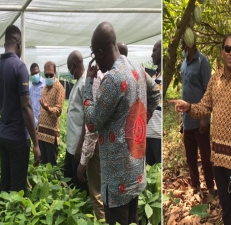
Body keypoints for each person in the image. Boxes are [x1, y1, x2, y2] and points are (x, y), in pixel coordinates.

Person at [170, 34, 231, 225]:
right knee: (225, 203)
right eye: (228, 49)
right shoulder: (215, 79)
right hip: (218, 155)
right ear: (222, 52)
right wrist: (189, 107)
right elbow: (204, 107)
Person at [84, 22, 160, 225]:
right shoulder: (137, 68)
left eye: (94, 55)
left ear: (99, 53)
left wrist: (88, 84)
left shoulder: (113, 80)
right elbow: (155, 94)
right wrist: (139, 125)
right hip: (134, 172)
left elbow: (92, 122)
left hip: (117, 180)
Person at [0, 25, 41, 192]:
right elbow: (26, 107)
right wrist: (36, 143)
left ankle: (1, 216)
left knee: (4, 185)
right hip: (18, 139)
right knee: (17, 189)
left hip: (2, 136)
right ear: (18, 43)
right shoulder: (19, 67)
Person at [179, 35, 214, 195]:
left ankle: (210, 185)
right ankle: (195, 185)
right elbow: (184, 91)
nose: (182, 48)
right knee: (190, 157)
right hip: (187, 119)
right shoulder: (183, 64)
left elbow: (208, 91)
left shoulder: (202, 62)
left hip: (200, 120)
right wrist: (182, 118)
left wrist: (204, 118)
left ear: (191, 43)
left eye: (184, 45)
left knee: (206, 156)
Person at [74, 51, 105, 220]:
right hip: (113, 143)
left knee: (97, 195)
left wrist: (83, 161)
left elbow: (92, 125)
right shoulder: (123, 73)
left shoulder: (96, 78)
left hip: (99, 145)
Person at [64, 50, 89, 194]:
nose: (69, 71)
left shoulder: (85, 82)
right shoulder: (78, 82)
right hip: (71, 144)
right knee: (69, 180)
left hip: (78, 146)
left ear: (74, 65)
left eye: (69, 67)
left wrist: (81, 146)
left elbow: (87, 117)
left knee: (80, 185)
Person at [36, 61, 65, 166]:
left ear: (55, 73)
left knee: (51, 166)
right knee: (43, 164)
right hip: (41, 134)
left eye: (51, 75)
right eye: (46, 75)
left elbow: (58, 111)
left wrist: (48, 109)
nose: (48, 77)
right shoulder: (44, 88)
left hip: (51, 135)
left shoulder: (59, 88)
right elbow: (41, 110)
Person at [146, 40, 162, 166]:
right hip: (147, 133)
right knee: (151, 173)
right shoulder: (152, 77)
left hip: (158, 134)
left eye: (154, 51)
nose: (152, 55)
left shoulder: (165, 77)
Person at [29, 63, 45, 128]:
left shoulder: (45, 84)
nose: (35, 75)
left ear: (39, 72)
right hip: (33, 123)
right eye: (33, 74)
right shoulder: (31, 88)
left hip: (43, 122)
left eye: (36, 73)